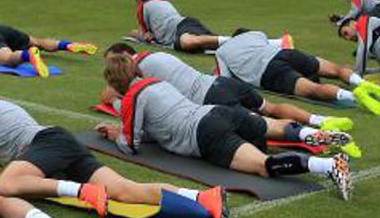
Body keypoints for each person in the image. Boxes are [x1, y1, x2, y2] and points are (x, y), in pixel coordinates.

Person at [0, 77, 227, 218]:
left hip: (48, 143)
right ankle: (203, 198)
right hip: (60, 143)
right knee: (125, 189)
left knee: (6, 184)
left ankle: (82, 192)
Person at [98, 55, 353, 200]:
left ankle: (330, 165)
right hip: (217, 111)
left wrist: (115, 135)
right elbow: (159, 125)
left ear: (115, 81)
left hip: (205, 133)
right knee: (273, 128)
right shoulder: (155, 82)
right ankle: (317, 134)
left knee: (264, 166)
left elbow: (131, 145)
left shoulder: (132, 97)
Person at [102, 43, 359, 156]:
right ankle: (322, 121)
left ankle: (323, 145)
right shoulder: (158, 56)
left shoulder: (141, 72)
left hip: (209, 99)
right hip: (220, 83)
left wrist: (115, 101)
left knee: (261, 130)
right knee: (270, 109)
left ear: (125, 58)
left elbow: (127, 98)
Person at [214, 29, 380, 116]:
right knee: (336, 69)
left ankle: (354, 96)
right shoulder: (256, 34)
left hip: (269, 72)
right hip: (285, 54)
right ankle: (362, 84)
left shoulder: (221, 51)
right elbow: (283, 43)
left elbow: (223, 79)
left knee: (313, 89)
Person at [132, 0, 223, 52]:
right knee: (205, 45)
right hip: (185, 25)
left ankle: (228, 40)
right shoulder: (163, 1)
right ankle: (229, 42)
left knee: (188, 42)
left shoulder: (143, 6)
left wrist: (143, 35)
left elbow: (143, 35)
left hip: (181, 28)